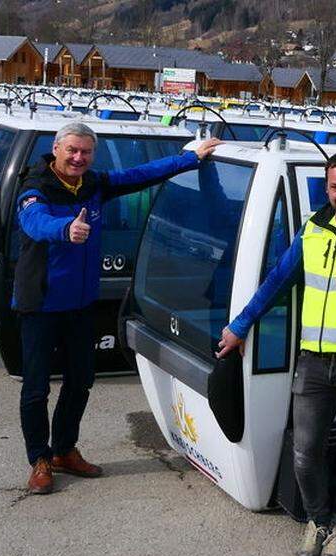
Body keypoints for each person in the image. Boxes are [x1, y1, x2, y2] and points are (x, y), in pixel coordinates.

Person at [217, 151, 336, 556]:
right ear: (326, 187)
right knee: (305, 450)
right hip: (315, 362)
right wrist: (241, 325)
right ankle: (318, 520)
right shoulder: (313, 230)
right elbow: (277, 281)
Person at [15, 122, 222, 495]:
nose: (79, 158)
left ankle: (63, 450)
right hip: (41, 305)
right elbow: (33, 222)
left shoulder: (94, 183)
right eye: (72, 151)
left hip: (80, 305)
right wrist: (65, 230)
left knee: (80, 383)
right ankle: (39, 460)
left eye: (86, 152)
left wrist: (189, 159)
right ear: (57, 149)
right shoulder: (36, 187)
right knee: (36, 388)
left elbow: (140, 175)